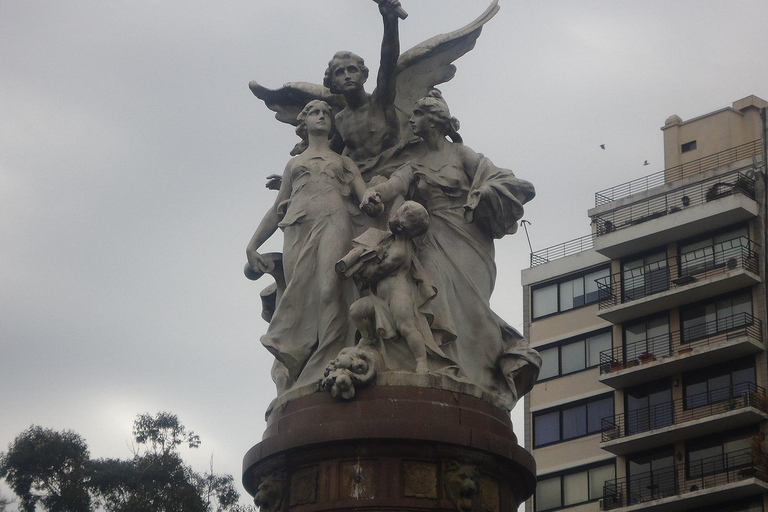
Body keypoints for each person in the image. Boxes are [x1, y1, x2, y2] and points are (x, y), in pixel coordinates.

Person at [360, 90, 541, 409]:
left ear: (433, 120)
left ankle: (485, 372)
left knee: (472, 304)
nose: (411, 120)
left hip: (469, 234)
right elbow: (394, 185)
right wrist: (374, 193)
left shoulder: (462, 154)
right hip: (431, 237)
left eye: (416, 114)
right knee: (437, 294)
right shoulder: (413, 162)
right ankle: (447, 365)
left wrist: (483, 193)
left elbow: (502, 179)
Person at [245, 100, 370, 392]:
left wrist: (375, 198)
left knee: (330, 289)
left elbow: (364, 196)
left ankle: (330, 359)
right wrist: (253, 245)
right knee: (299, 292)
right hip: (298, 229)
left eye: (327, 114)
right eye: (315, 113)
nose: (322, 117)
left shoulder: (342, 162)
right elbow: (277, 208)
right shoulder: (295, 164)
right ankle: (303, 365)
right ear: (304, 123)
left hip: (334, 222)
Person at [343, 201, 455, 374]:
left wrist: (360, 267)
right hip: (380, 298)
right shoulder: (389, 241)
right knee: (356, 311)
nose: (392, 217)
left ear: (402, 226)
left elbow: (377, 272)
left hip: (398, 297)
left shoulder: (400, 251)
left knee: (407, 328)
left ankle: (421, 360)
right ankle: (368, 338)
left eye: (396, 215)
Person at [323, 0, 403, 163]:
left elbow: (388, 62)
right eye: (340, 72)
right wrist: (293, 176)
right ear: (334, 85)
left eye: (352, 69)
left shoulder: (381, 100)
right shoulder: (340, 120)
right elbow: (326, 157)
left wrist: (390, 21)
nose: (347, 75)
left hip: (392, 171)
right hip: (360, 180)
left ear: (364, 76)